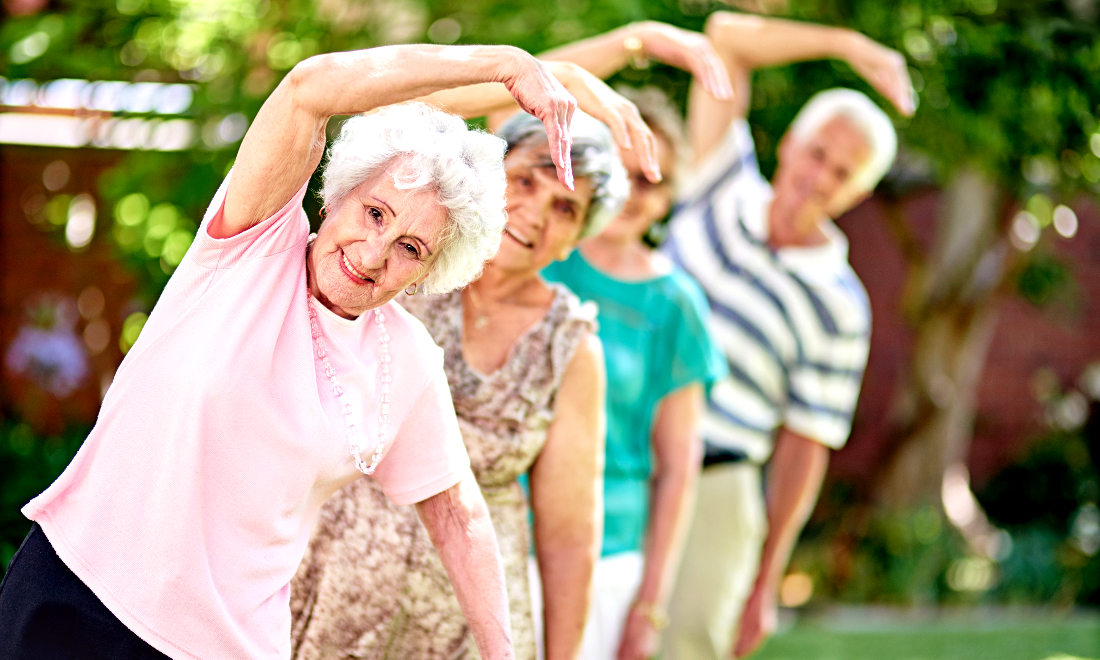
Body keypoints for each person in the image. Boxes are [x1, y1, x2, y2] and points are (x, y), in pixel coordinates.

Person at [0, 42, 591, 660]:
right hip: (77, 593)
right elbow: (311, 87)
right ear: (336, 195)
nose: (371, 254)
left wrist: (506, 654)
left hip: (224, 648)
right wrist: (502, 64)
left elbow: (457, 516)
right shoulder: (250, 244)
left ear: (427, 275)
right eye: (374, 212)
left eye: (411, 248)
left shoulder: (406, 358)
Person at [289, 108, 630, 660]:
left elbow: (569, 536)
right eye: (524, 181)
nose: (536, 213)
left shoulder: (569, 346)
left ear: (576, 239)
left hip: (467, 632)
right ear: (491, 181)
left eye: (565, 208)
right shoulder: (398, 261)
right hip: (324, 587)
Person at [656, 13, 914, 660]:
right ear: (791, 143)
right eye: (819, 154)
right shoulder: (720, 175)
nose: (821, 177)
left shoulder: (839, 305)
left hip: (717, 487)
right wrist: (847, 44)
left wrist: (765, 580)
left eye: (843, 174)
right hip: (618, 450)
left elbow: (806, 446)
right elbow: (724, 39)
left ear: (858, 193)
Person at [532, 24, 731, 660]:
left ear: (670, 199)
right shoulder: (536, 254)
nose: (632, 190)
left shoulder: (675, 304)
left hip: (608, 552)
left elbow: (677, 469)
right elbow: (524, 81)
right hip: (502, 530)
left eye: (653, 179)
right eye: (621, 164)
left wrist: (651, 602)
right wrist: (633, 41)